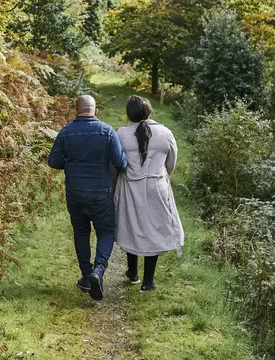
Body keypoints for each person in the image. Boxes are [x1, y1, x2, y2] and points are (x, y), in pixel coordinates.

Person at [48, 94, 127, 301]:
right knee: (106, 231)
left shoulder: (65, 132)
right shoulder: (107, 131)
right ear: (96, 110)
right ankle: (98, 271)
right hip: (101, 193)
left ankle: (85, 275)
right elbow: (120, 163)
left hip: (75, 192)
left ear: (76, 110)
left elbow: (54, 161)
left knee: (81, 233)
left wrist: (71, 164)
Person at [114, 95, 184, 291]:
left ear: (129, 114)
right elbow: (172, 162)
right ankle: (148, 281)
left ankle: (133, 273)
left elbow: (117, 162)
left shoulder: (121, 134)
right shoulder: (165, 132)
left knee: (132, 227)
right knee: (153, 229)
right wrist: (160, 176)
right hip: (157, 186)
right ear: (149, 111)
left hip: (130, 186)